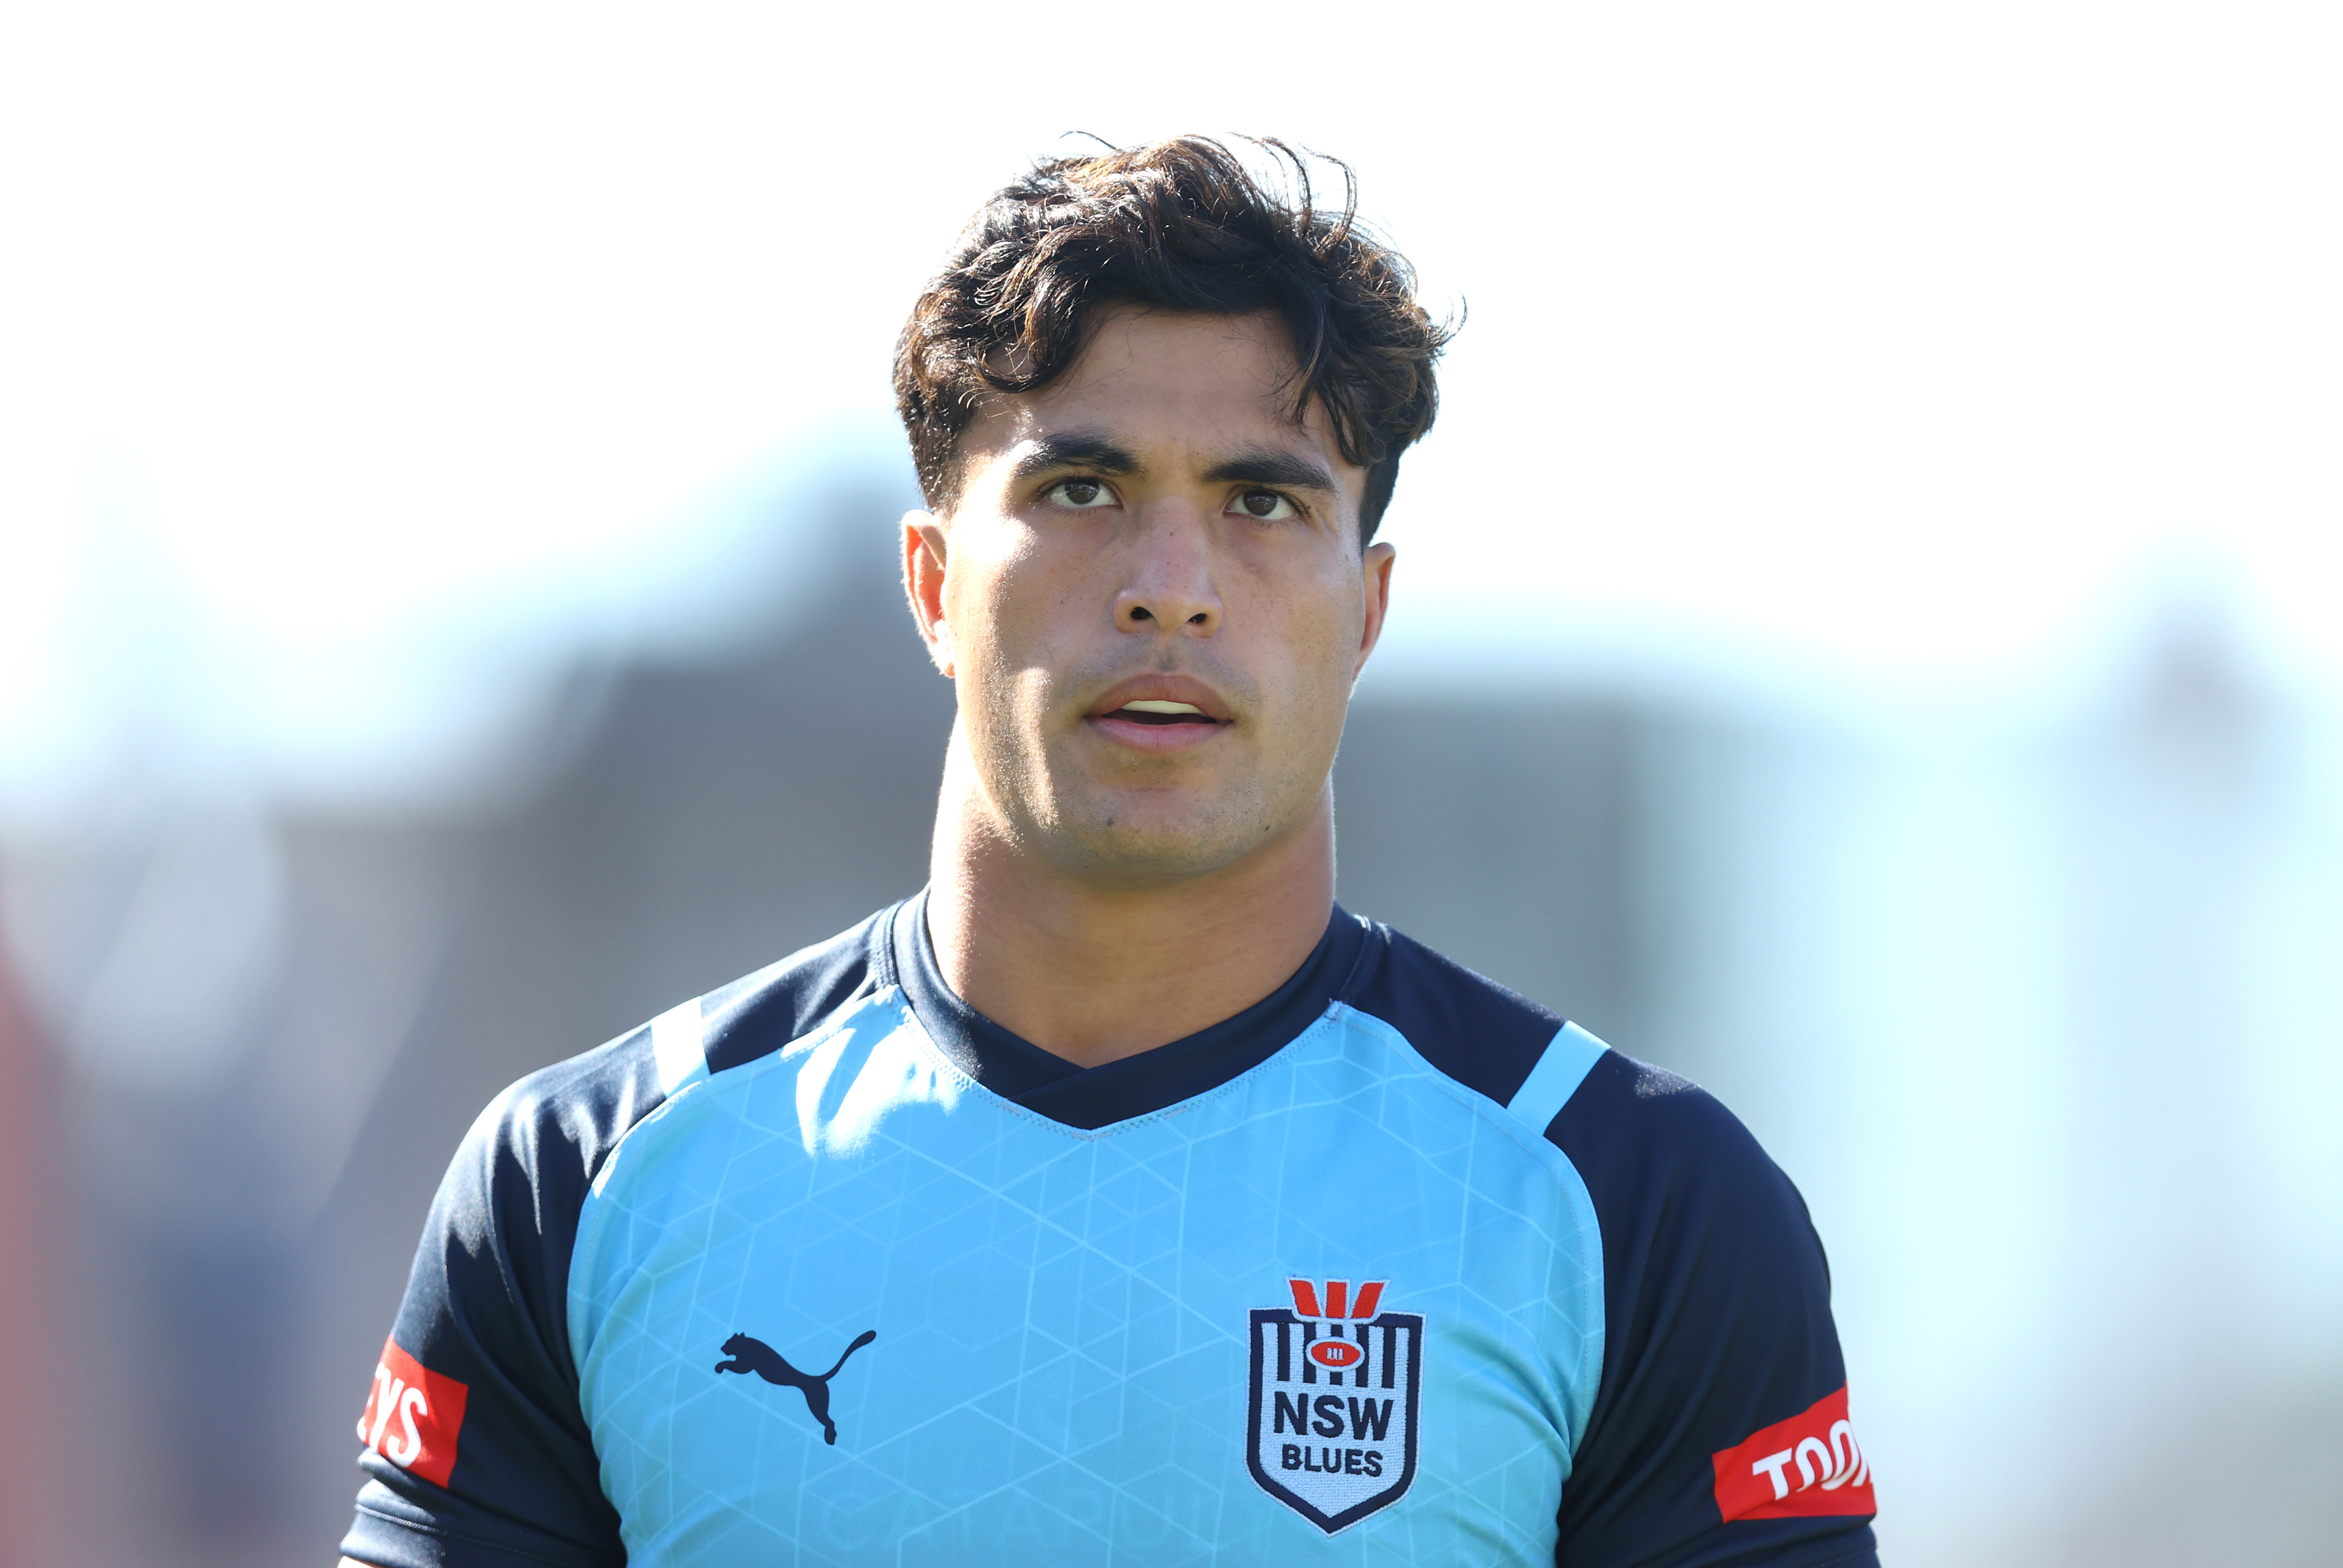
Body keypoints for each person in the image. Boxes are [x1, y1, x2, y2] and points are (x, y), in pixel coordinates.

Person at [338, 136, 1878, 1568]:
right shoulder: (583, 1182)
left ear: (1369, 612)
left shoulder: (1638, 1204)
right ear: (935, 584)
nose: (1169, 587)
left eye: (1262, 502)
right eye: (1081, 491)